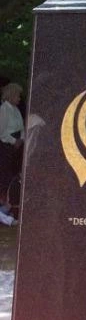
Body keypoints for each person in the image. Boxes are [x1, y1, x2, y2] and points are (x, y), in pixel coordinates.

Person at [0, 83, 23, 225]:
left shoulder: (16, 110)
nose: (19, 98)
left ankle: (10, 208)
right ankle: (5, 208)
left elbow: (21, 127)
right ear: (11, 95)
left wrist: (21, 140)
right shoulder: (4, 109)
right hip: (7, 146)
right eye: (18, 95)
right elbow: (1, 132)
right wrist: (14, 141)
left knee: (15, 176)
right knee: (7, 176)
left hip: (17, 146)